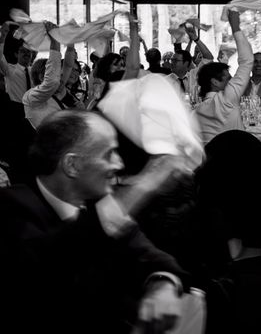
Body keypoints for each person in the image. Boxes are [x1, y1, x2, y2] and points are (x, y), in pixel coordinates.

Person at [0, 110, 194, 334]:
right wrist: (142, 186)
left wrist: (163, 285)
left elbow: (156, 259)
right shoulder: (11, 208)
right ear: (72, 165)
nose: (119, 164)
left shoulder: (98, 205)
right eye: (109, 154)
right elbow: (55, 267)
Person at [194, 10, 253, 143]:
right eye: (228, 78)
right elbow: (247, 61)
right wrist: (235, 27)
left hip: (209, 162)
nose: (231, 82)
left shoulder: (196, 112)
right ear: (215, 82)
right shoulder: (226, 100)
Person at [0, 21, 35, 103]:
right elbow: (0, 56)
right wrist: (2, 38)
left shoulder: (35, 72)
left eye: (29, 52)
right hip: (16, 109)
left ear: (32, 56)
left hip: (33, 110)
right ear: (16, 54)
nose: (26, 54)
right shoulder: (9, 69)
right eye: (23, 51)